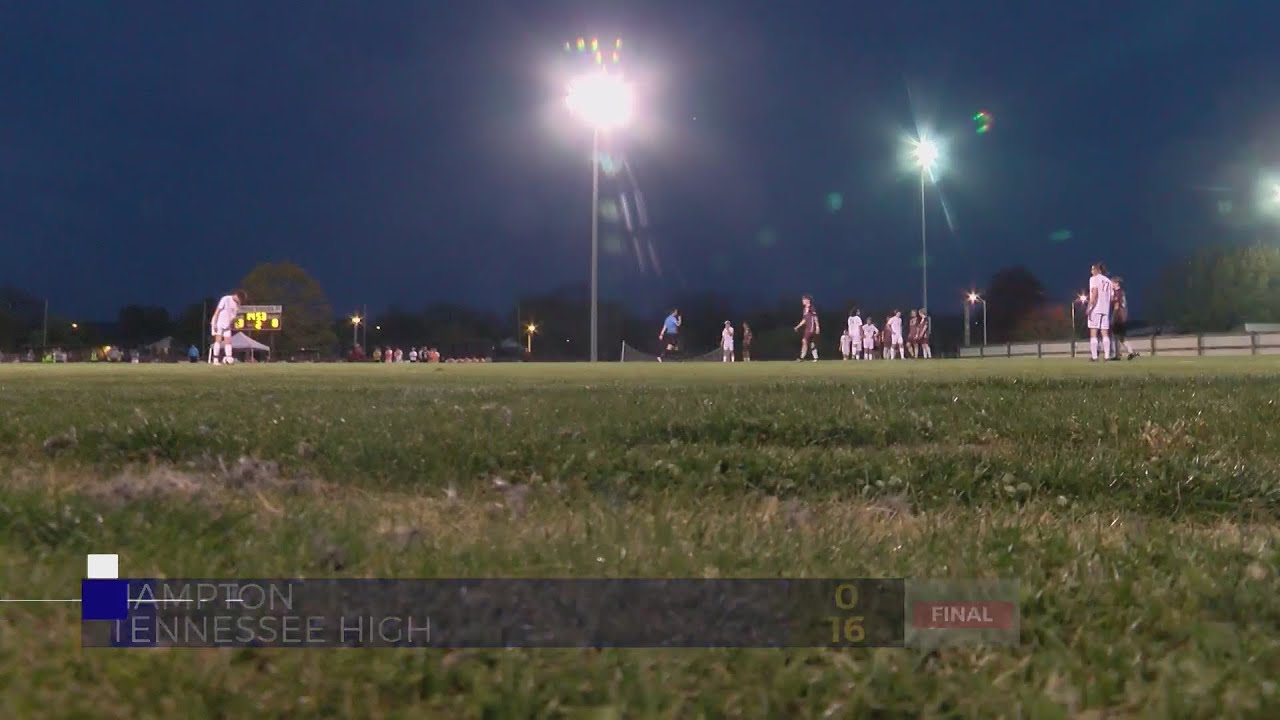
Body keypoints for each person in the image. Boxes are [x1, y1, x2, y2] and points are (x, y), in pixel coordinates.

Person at [1087, 262, 1114, 362]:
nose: (1091, 272)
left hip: (1096, 309)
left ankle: (1094, 357)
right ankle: (1107, 356)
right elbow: (1111, 297)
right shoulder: (1108, 281)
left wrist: (1089, 307)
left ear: (1098, 270)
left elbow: (1094, 293)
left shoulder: (1094, 279)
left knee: (1093, 332)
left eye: (1092, 269)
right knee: (1105, 333)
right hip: (1105, 310)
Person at [209, 289, 244, 364]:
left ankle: (228, 358)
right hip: (219, 322)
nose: (239, 301)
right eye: (239, 299)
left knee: (228, 341)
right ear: (236, 295)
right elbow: (217, 310)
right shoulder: (225, 299)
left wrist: (230, 324)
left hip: (227, 325)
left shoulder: (237, 304)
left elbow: (233, 316)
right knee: (218, 340)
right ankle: (215, 360)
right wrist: (214, 322)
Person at [1111, 276, 1139, 360]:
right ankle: (1131, 352)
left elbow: (1117, 305)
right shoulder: (1121, 292)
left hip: (1119, 316)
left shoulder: (1118, 292)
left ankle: (1117, 354)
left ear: (1116, 283)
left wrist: (1114, 317)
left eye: (1112, 283)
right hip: (1123, 316)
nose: (1111, 285)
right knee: (1121, 337)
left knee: (1115, 335)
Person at [793, 295, 820, 361]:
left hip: (811, 328)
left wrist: (817, 327)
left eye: (804, 299)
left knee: (804, 340)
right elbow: (804, 320)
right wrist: (798, 326)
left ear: (808, 300)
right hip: (807, 328)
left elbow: (815, 317)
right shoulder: (805, 309)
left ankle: (802, 357)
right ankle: (816, 357)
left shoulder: (811, 307)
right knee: (812, 343)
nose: (802, 301)